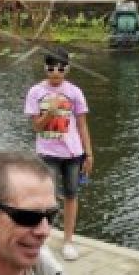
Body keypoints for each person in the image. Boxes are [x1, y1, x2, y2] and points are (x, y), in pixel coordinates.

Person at [23, 48, 93, 261]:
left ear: (67, 69)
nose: (56, 72)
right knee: (47, 198)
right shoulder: (35, 92)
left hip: (73, 153)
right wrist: (50, 112)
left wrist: (88, 154)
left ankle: (68, 240)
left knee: (71, 195)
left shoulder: (74, 92)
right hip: (47, 153)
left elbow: (82, 125)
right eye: (51, 68)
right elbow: (36, 126)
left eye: (61, 68)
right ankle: (42, 239)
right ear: (45, 68)